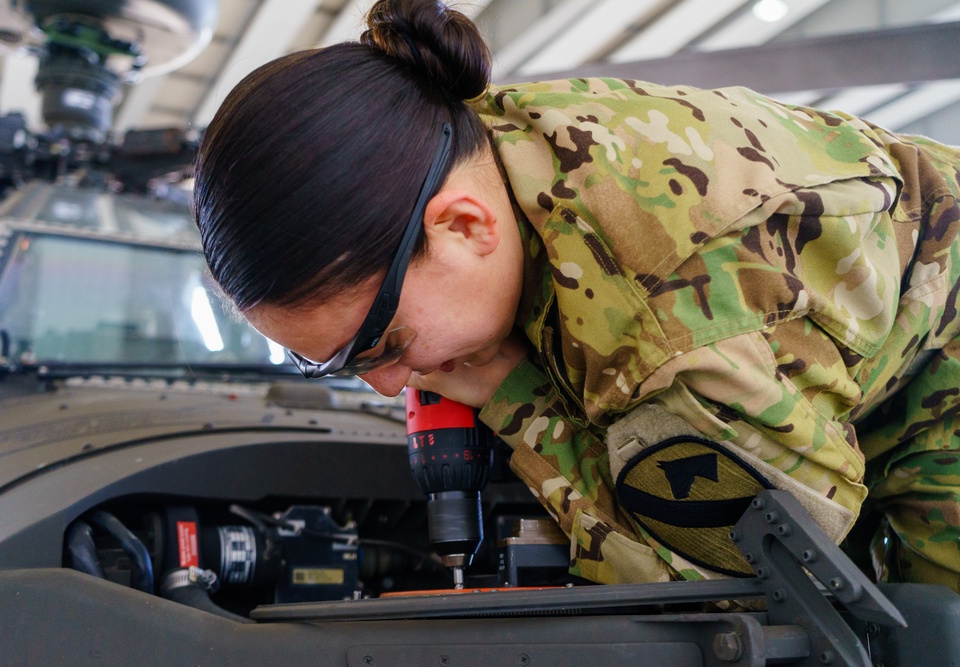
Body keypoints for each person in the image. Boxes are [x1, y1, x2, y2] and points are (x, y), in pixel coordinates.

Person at [193, 0, 960, 589]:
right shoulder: (462, 138)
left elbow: (750, 578)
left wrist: (507, 392)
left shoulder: (666, 316)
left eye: (384, 344)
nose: (393, 382)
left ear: (463, 226)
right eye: (334, 363)